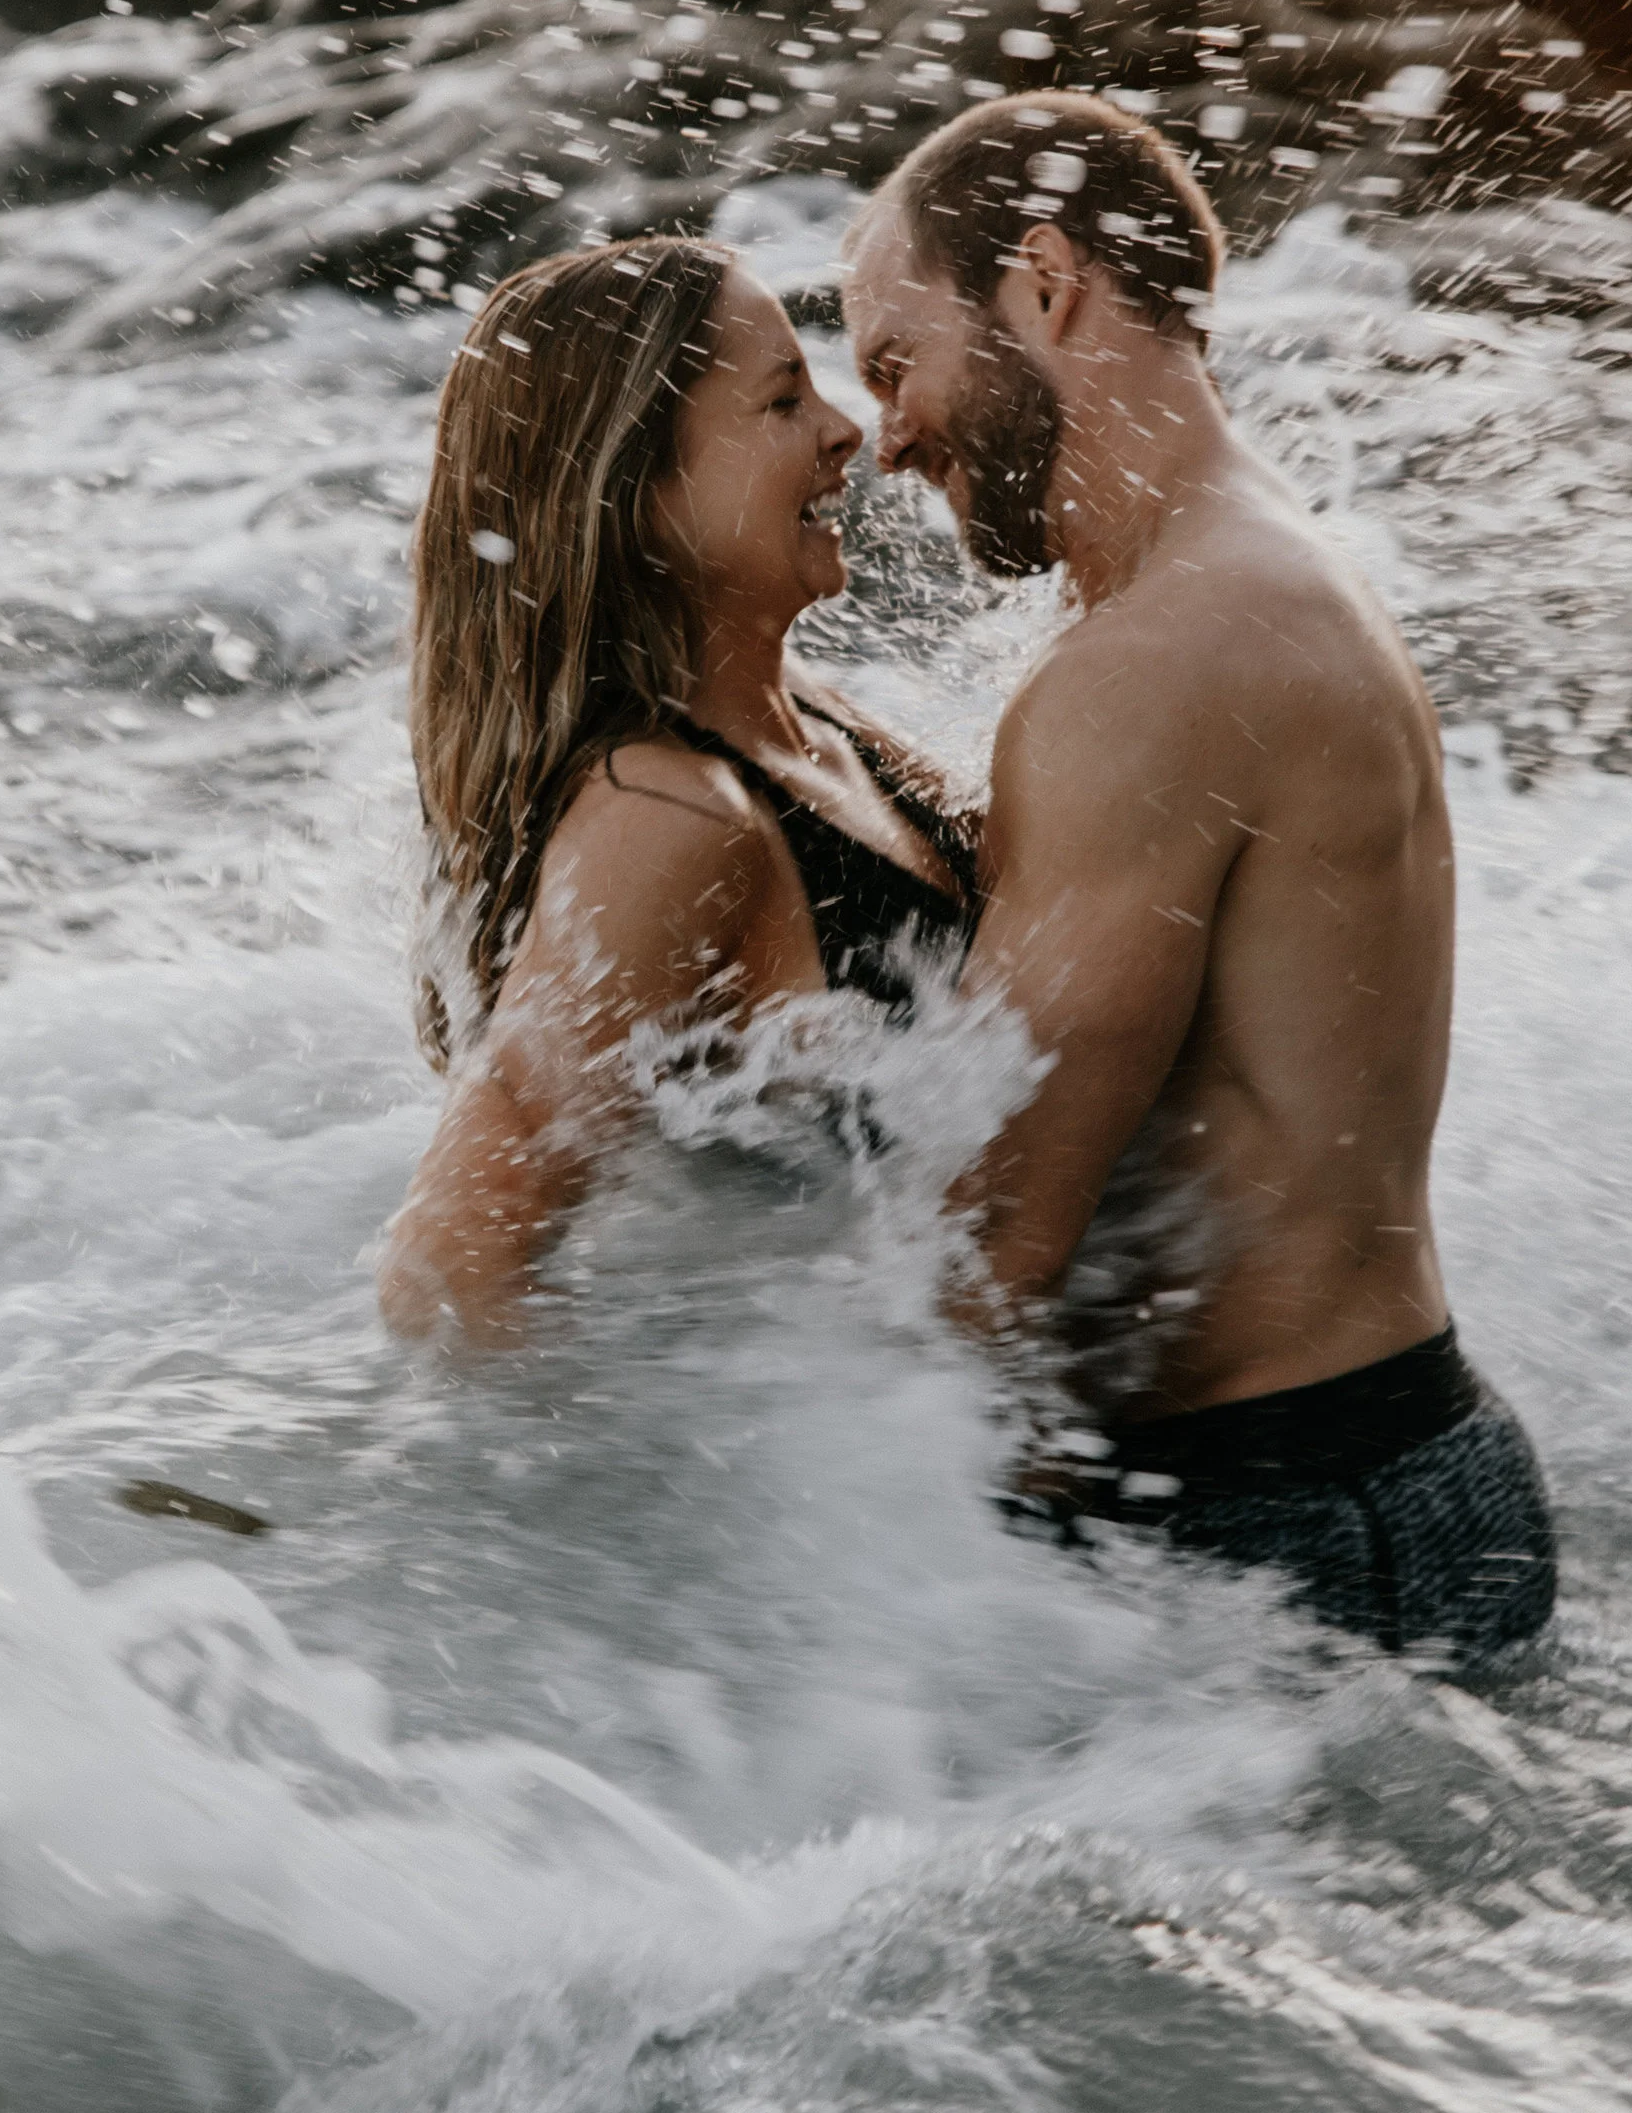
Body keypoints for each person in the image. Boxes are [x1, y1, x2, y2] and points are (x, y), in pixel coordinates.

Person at [840, 91, 1556, 1667]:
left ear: (1044, 283)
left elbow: (997, 1221)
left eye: (896, 361)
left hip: (1283, 1526)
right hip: (1378, 1465)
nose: (885, 434)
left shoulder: (1164, 659)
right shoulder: (1251, 581)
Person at [378, 238, 976, 1348]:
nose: (843, 429)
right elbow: (451, 1267)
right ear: (638, 494)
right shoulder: (670, 817)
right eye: (782, 400)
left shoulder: (815, 719)